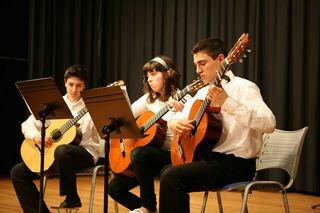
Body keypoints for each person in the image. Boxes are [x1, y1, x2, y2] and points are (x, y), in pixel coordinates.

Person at [159, 38, 276, 213]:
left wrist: (228, 102)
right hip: (211, 159)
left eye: (202, 63)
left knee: (172, 177)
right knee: (167, 171)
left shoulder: (245, 87)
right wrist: (174, 123)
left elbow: (269, 124)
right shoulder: (203, 92)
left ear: (221, 60)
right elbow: (176, 118)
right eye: (196, 65)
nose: (198, 70)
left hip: (238, 164)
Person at [11, 65, 101, 212]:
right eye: (71, 84)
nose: (74, 89)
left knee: (62, 150)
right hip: (55, 156)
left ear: (84, 85)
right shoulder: (55, 104)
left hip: (85, 153)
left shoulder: (91, 106)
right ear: (65, 82)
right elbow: (26, 124)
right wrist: (37, 136)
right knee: (17, 173)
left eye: (78, 85)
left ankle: (72, 198)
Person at [108, 55, 191, 213]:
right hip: (147, 159)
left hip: (171, 155)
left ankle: (148, 206)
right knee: (114, 188)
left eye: (153, 74)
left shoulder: (184, 99)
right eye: (147, 76)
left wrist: (181, 113)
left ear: (168, 74)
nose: (149, 79)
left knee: (140, 154)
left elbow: (188, 134)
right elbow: (126, 116)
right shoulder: (148, 99)